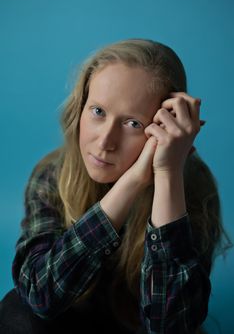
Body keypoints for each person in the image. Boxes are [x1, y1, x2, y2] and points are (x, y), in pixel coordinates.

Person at [0, 38, 230, 334]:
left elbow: (172, 325)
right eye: (97, 111)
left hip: (137, 326)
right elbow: (40, 294)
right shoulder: (53, 174)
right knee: (16, 313)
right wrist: (132, 183)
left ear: (162, 129)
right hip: (70, 318)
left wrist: (167, 173)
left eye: (133, 123)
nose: (105, 142)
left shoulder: (192, 186)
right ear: (79, 108)